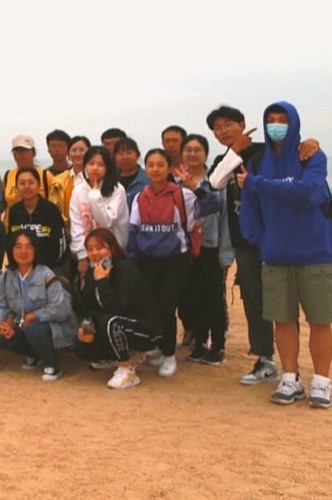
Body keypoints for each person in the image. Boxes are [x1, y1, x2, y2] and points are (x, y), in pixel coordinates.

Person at [206, 104, 320, 386]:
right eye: (217, 128)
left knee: (284, 302)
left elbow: (295, 163)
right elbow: (216, 182)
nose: (223, 131)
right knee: (254, 300)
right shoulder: (224, 159)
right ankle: (265, 359)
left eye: (228, 125)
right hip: (245, 243)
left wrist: (312, 143)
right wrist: (235, 151)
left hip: (278, 239)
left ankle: (291, 366)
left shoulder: (265, 151)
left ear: (243, 124)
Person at [239, 101, 332, 408]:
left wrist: (258, 184)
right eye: (271, 119)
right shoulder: (257, 162)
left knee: (320, 320)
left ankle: (321, 382)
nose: (276, 125)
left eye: (282, 119)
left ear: (293, 122)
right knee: (282, 321)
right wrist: (264, 242)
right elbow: (249, 211)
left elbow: (309, 193)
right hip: (275, 256)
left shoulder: (311, 155)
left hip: (315, 253)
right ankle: (290, 378)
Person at [126, 149, 219, 378]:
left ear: (168, 168)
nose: (155, 169)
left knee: (166, 307)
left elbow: (213, 205)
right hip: (148, 260)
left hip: (176, 260)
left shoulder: (182, 195)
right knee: (151, 307)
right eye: (151, 164)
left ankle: (169, 355)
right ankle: (158, 347)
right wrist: (132, 262)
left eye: (160, 164)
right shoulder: (140, 197)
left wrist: (195, 188)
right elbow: (134, 231)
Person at [73, 228, 162, 390]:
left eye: (100, 247)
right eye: (90, 249)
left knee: (109, 322)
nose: (95, 253)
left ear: (112, 248)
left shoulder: (125, 268)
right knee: (82, 342)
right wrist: (88, 324)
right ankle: (116, 356)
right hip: (115, 324)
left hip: (145, 330)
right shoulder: (94, 270)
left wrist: (102, 282)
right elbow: (87, 305)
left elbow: (118, 308)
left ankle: (127, 370)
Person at [0, 229, 77, 381]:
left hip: (52, 327)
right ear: (11, 250)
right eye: (18, 246)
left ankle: (52, 365)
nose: (23, 251)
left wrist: (35, 315)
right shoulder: (6, 277)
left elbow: (61, 309)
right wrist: (4, 323)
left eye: (28, 247)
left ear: (35, 250)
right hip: (22, 325)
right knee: (1, 336)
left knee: (34, 328)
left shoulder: (46, 274)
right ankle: (35, 354)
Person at [175, 134, 229, 366]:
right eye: (188, 149)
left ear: (206, 153)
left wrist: (225, 253)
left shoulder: (216, 181)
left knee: (214, 298)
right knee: (191, 298)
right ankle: (199, 343)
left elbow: (223, 216)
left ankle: (217, 346)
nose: (192, 154)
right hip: (186, 248)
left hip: (210, 246)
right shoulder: (175, 182)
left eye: (197, 149)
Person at [69, 146, 129, 275]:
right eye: (91, 164)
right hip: (88, 254)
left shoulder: (117, 190)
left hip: (113, 253)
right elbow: (76, 225)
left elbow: (107, 221)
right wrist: (82, 256)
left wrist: (94, 196)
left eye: (100, 165)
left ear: (107, 167)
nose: (95, 168)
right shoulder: (78, 190)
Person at [4, 167, 67, 275]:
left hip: (52, 267)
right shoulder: (14, 211)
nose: (27, 187)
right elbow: (11, 242)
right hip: (22, 267)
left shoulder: (51, 210)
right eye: (22, 183)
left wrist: (46, 269)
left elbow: (61, 244)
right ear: (17, 188)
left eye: (31, 182)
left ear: (38, 186)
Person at [1, 134, 63, 216]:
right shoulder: (8, 175)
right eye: (17, 152)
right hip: (13, 222)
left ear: (34, 153)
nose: (20, 155)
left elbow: (56, 204)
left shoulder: (46, 176)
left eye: (24, 151)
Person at [113, 137, 149, 208]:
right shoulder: (110, 180)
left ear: (138, 155)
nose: (125, 157)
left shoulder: (148, 178)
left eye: (129, 153)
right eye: (120, 154)